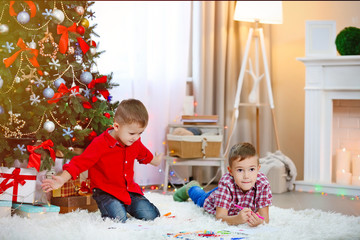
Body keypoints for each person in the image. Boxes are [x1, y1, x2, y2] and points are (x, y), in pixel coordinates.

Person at [42, 98, 164, 222]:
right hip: (106, 192)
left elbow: (145, 155)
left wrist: (157, 160)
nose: (136, 138)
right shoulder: (101, 143)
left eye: (140, 133)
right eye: (132, 133)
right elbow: (80, 163)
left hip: (128, 191)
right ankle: (118, 207)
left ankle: (126, 205)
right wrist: (62, 178)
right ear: (116, 126)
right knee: (118, 219)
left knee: (151, 215)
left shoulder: (134, 142)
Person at [173, 142, 272, 227]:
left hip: (227, 197)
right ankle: (191, 187)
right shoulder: (226, 183)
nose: (246, 176)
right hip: (216, 197)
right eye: (240, 170)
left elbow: (265, 218)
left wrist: (259, 221)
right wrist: (237, 219)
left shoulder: (262, 183)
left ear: (258, 169)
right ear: (230, 171)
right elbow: (219, 217)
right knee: (200, 198)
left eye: (251, 169)